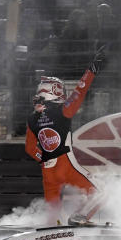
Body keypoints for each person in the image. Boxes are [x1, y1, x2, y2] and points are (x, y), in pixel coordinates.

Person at [25, 45, 105, 224]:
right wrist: (92, 69)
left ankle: (54, 239)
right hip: (66, 165)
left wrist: (44, 158)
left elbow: (30, 148)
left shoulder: (32, 118)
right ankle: (80, 217)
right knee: (101, 193)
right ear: (55, 92)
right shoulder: (64, 111)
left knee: (53, 215)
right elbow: (80, 91)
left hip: (47, 171)